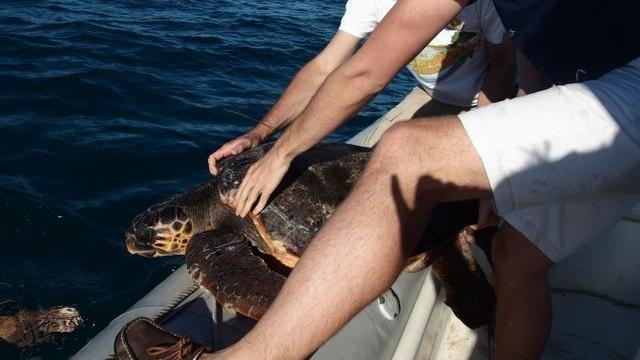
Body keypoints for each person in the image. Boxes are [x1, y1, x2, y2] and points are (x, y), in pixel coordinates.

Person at [121, 0, 639, 359]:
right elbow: (337, 66)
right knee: (517, 258)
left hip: (624, 88)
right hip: (594, 92)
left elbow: (367, 76)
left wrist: (281, 155)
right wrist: (263, 135)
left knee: (403, 150)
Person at [207, 0, 514, 175]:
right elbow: (324, 68)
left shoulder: (484, 4)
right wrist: (259, 133)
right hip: (429, 96)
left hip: (491, 103)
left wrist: (483, 143)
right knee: (355, 172)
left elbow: (502, 69)